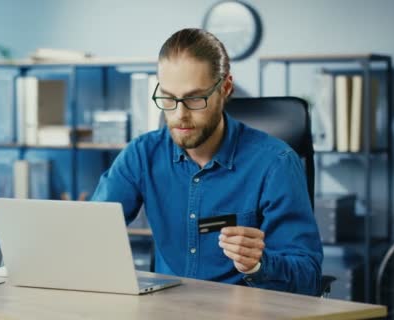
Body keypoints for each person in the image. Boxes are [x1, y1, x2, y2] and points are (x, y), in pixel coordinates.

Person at [91, 28, 323, 295]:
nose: (180, 115)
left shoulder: (276, 164)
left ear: (225, 88)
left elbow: (309, 277)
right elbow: (91, 230)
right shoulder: (142, 154)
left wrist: (259, 265)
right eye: (168, 97)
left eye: (194, 99)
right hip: (167, 310)